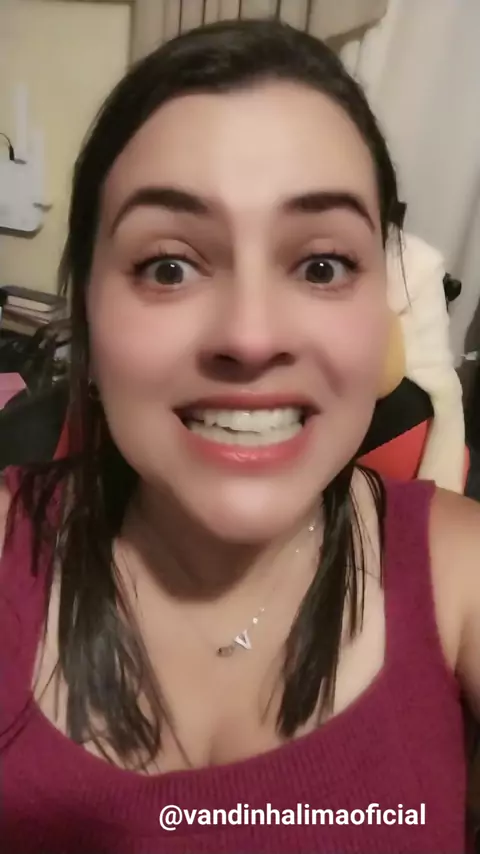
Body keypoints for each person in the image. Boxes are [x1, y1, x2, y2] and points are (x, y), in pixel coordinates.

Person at [1, 18, 479, 854]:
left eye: (322, 265)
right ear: (88, 317)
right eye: (169, 267)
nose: (251, 337)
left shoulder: (460, 573)